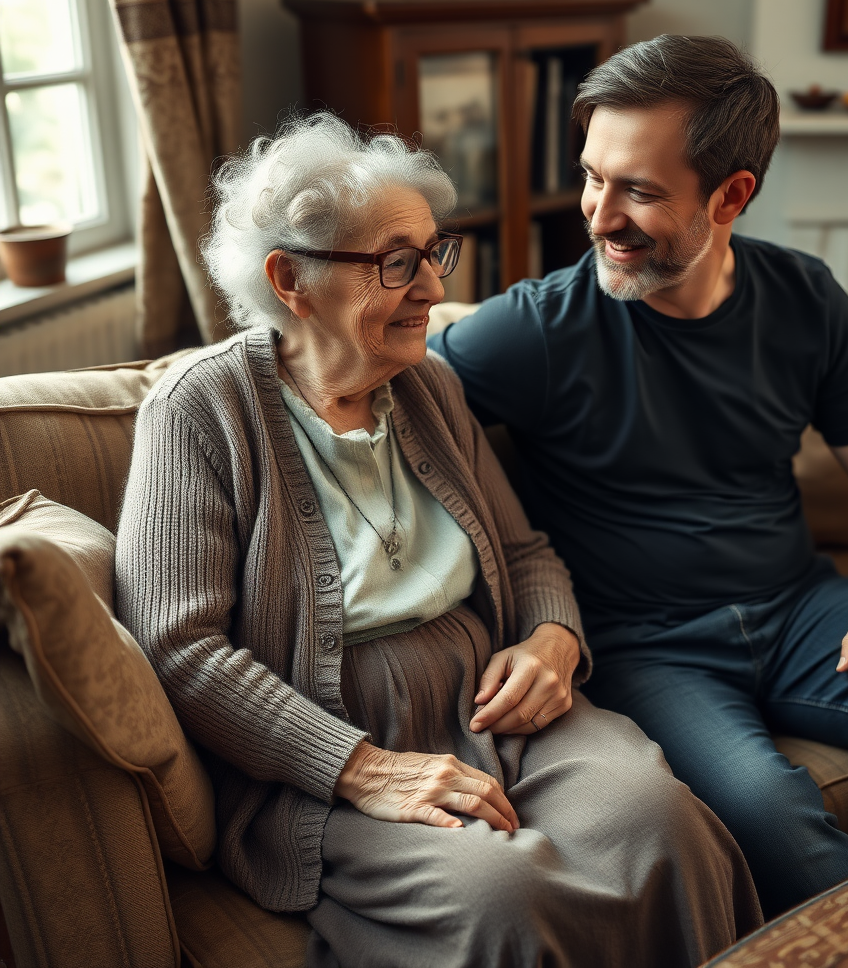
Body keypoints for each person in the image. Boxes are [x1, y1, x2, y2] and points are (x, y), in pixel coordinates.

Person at [115, 112, 761, 968]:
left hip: (496, 703)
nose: (429, 287)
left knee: (667, 826)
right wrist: (361, 768)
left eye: (432, 254)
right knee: (500, 898)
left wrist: (552, 638)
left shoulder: (429, 387)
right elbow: (179, 649)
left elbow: (525, 552)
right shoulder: (200, 410)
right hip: (330, 743)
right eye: (395, 263)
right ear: (291, 278)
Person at [428, 35, 848, 919]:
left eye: (638, 190)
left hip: (796, 610)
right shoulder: (535, 331)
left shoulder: (805, 298)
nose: (596, 215)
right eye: (593, 175)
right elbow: (380, 394)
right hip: (645, 647)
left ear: (732, 194)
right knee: (765, 813)